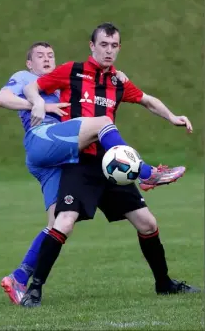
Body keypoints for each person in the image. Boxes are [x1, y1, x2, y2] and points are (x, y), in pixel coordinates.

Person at [20, 23, 200, 307]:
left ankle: (164, 283)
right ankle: (34, 289)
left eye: (114, 46)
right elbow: (33, 86)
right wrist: (37, 103)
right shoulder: (71, 71)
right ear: (92, 46)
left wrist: (173, 117)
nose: (109, 51)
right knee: (63, 222)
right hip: (80, 163)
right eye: (103, 45)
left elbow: (147, 100)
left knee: (147, 222)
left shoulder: (117, 81)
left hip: (113, 165)